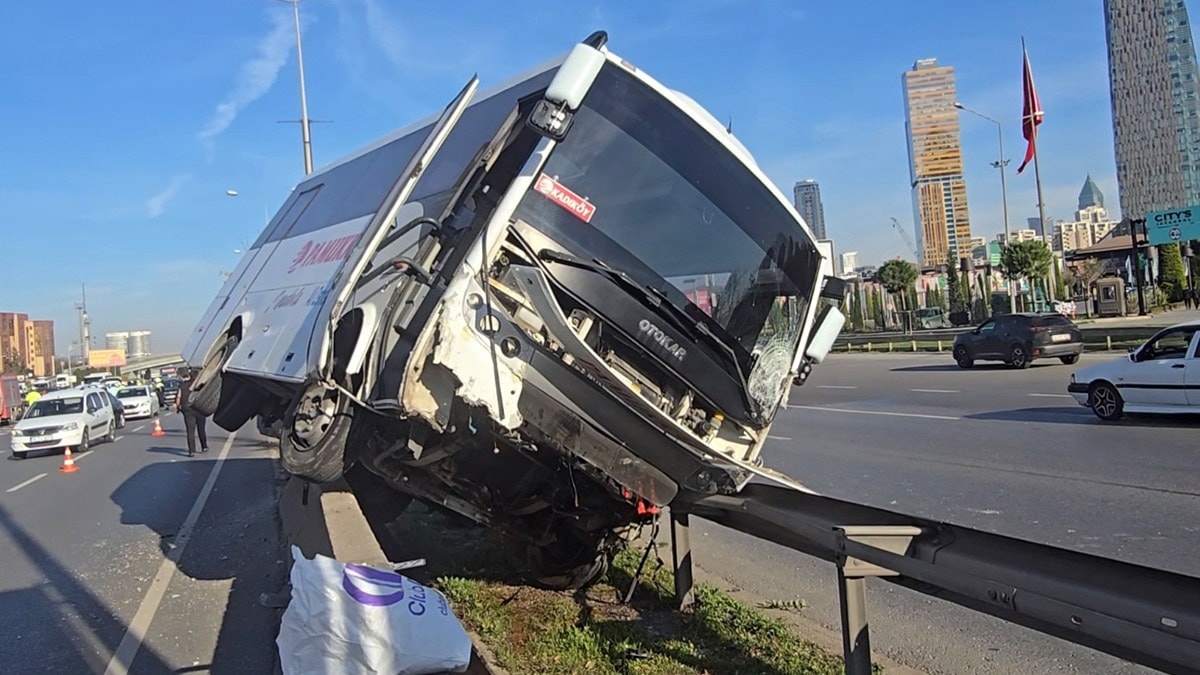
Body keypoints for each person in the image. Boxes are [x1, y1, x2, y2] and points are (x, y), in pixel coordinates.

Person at [175, 368, 209, 457]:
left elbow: (178, 398)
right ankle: (204, 446)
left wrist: (178, 407)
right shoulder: (199, 385)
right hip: (199, 409)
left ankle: (191, 450)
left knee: (190, 431)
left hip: (187, 410)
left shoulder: (181, 386)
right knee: (201, 429)